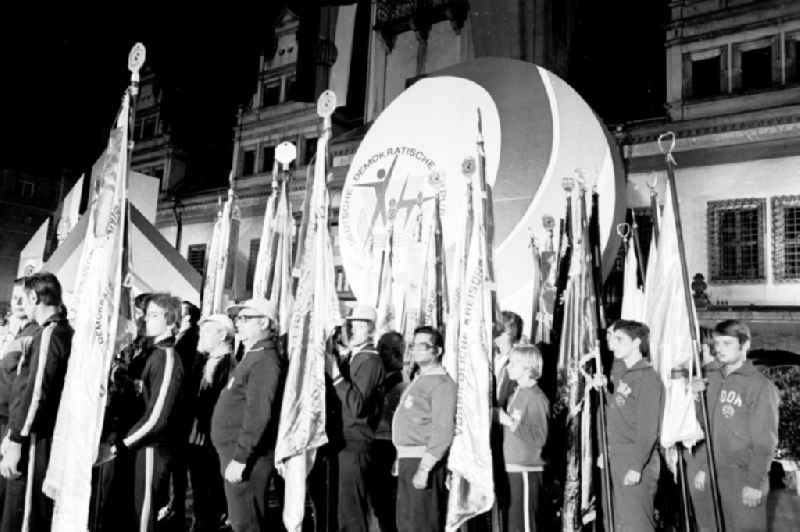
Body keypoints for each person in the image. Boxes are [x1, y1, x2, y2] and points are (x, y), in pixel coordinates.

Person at [686, 319, 779, 532]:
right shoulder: (708, 376)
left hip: (742, 475)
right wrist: (695, 397)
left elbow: (765, 441)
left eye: (727, 343)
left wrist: (755, 482)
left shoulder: (760, 387)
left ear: (745, 345)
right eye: (717, 344)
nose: (719, 349)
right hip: (707, 468)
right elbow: (702, 427)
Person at [0, 272, 73, 532]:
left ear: (34, 297)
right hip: (30, 433)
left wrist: (17, 440)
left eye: (25, 299)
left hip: (34, 437)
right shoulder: (54, 331)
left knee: (25, 513)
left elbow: (36, 392)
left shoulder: (51, 334)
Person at [211, 298, 286, 532]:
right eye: (237, 319)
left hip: (246, 457)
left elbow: (258, 413)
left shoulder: (265, 360)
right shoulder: (253, 355)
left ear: (264, 322)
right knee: (241, 521)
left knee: (247, 523)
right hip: (233, 452)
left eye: (245, 318)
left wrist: (241, 457)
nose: (238, 324)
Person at [114, 293, 184, 532]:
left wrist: (121, 445)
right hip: (137, 445)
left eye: (154, 316)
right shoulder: (151, 353)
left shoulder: (166, 358)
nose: (146, 321)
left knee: (144, 517)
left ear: (172, 322)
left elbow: (158, 417)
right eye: (147, 315)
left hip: (151, 447)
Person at [325, 305, 386, 532]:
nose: (352, 330)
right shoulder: (354, 356)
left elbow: (357, 406)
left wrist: (336, 375)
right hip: (343, 440)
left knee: (351, 511)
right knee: (342, 508)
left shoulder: (369, 360)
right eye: (350, 325)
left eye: (359, 326)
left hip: (355, 441)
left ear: (370, 331)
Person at [600, 319, 663, 531]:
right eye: (612, 338)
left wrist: (636, 466)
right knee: (617, 522)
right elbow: (620, 412)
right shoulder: (624, 374)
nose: (613, 344)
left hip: (636, 459)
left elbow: (648, 428)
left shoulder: (648, 378)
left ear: (636, 342)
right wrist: (604, 393)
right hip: (617, 456)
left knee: (636, 524)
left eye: (620, 339)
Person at [392, 326, 456, 532]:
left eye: (423, 346)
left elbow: (443, 430)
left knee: (421, 523)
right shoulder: (420, 378)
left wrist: (425, 468)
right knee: (406, 522)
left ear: (437, 351)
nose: (416, 350)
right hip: (407, 459)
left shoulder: (442, 383)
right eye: (413, 345)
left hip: (423, 461)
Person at [187, 314, 234, 532]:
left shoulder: (229, 366)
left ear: (223, 334)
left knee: (210, 495)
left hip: (212, 441)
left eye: (207, 331)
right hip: (198, 438)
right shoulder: (206, 361)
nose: (202, 336)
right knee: (200, 493)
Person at [0, 277, 40, 531]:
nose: (16, 302)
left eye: (22, 297)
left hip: (10, 423)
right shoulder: (18, 331)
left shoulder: (35, 335)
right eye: (13, 297)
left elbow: (26, 388)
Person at [497, 344, 549, 532]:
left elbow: (539, 437)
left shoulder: (536, 398)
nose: (508, 367)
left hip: (527, 471)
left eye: (513, 363)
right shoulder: (516, 393)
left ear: (528, 368)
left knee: (525, 525)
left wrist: (509, 422)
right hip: (512, 469)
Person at [160, 300, 201, 526]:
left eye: (181, 312)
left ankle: (180, 506)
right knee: (176, 462)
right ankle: (175, 504)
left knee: (180, 461)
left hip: (184, 410)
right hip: (178, 410)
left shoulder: (192, 338)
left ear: (188, 317)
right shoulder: (181, 335)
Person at [371, 331, 407, 532]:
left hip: (387, 443)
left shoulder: (399, 383)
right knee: (379, 501)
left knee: (385, 501)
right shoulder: (384, 377)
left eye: (383, 348)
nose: (380, 352)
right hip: (378, 441)